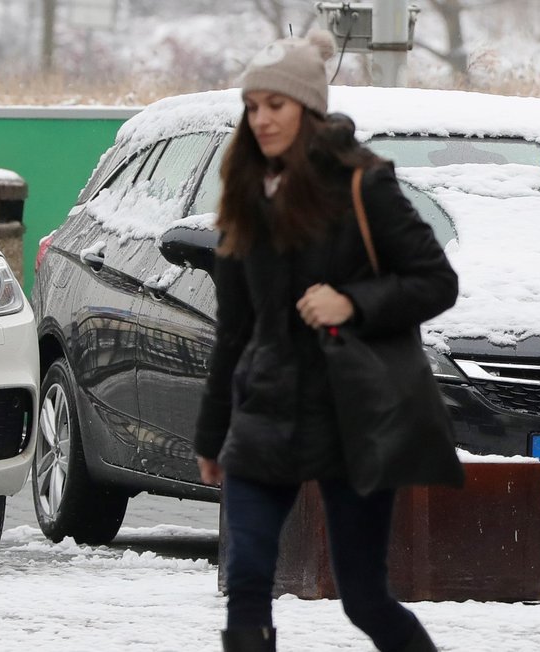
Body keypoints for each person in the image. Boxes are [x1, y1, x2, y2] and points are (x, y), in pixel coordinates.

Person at [194, 29, 462, 652]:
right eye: (252, 106)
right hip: (265, 415)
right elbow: (233, 328)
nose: (261, 120)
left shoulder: (364, 185)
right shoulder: (243, 192)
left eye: (276, 105)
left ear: (308, 108)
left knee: (364, 597)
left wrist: (354, 302)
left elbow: (435, 281)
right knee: (247, 584)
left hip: (351, 416)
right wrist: (213, 436)